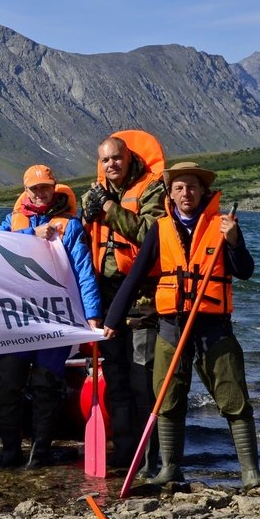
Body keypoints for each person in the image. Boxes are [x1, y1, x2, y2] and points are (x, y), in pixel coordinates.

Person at [102, 161, 260, 489]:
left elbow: (245, 270)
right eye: (178, 187)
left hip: (213, 327)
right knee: (168, 398)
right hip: (171, 325)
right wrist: (113, 319)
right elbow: (135, 277)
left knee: (233, 396)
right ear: (171, 194)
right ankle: (170, 469)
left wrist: (235, 242)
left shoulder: (224, 226)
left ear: (203, 191)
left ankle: (251, 474)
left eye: (191, 187)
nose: (185, 193)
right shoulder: (160, 229)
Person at [0, 164, 104, 468]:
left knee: (45, 384)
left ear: (54, 188)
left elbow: (84, 272)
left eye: (45, 187)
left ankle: (39, 453)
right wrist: (31, 234)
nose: (40, 194)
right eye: (34, 189)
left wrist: (93, 315)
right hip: (16, 319)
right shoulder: (11, 222)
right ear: (25, 191)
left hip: (54, 319)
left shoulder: (70, 226)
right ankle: (10, 450)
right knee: (7, 382)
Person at [80, 132, 167, 473]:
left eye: (116, 158)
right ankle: (123, 450)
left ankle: (149, 456)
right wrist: (86, 216)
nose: (111, 164)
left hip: (142, 292)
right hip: (106, 291)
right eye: (105, 160)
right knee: (114, 375)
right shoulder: (94, 192)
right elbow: (81, 236)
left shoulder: (151, 188)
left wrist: (107, 208)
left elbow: (150, 233)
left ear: (128, 157)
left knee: (140, 375)